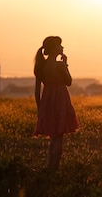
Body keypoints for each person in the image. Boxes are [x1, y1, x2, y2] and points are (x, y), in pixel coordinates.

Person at [34, 36, 79, 170]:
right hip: (60, 100)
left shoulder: (40, 66)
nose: (62, 47)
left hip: (47, 101)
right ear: (55, 49)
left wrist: (39, 108)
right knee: (58, 137)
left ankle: (49, 166)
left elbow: (36, 91)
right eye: (60, 45)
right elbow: (69, 82)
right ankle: (53, 168)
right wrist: (65, 63)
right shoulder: (59, 66)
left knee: (54, 137)